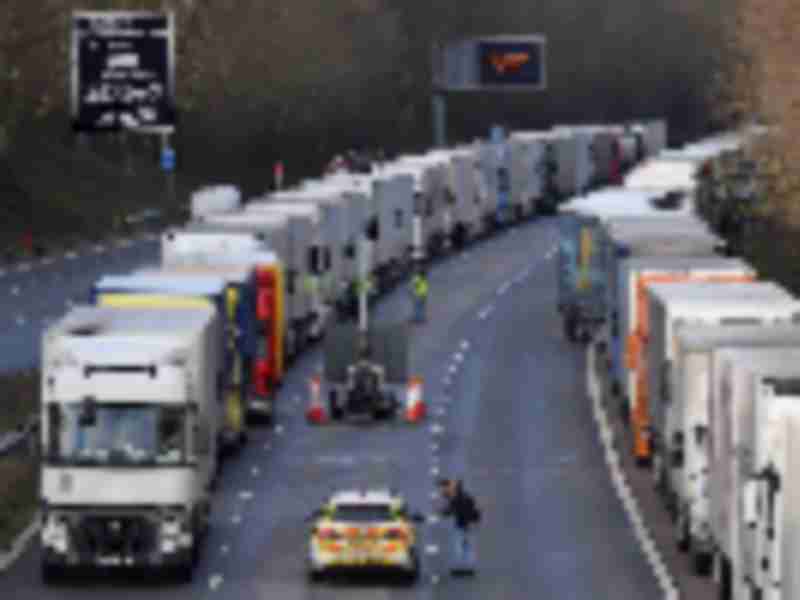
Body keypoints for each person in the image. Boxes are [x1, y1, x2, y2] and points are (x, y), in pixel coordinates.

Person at [437, 478, 480, 574]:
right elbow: (475, 510)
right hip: (470, 523)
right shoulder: (465, 497)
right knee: (468, 545)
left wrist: (440, 512)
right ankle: (469, 567)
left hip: (463, 524)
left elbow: (449, 511)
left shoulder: (457, 498)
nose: (446, 490)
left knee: (459, 544)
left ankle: (460, 567)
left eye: (450, 488)